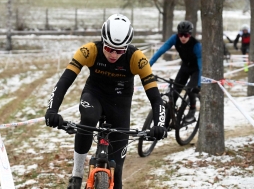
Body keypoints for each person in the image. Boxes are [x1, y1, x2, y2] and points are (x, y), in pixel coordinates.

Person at [44, 14, 167, 189]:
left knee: (117, 178)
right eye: (109, 48)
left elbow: (155, 98)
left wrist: (159, 124)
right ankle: (77, 174)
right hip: (94, 96)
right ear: (103, 41)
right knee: (87, 118)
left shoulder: (137, 59)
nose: (113, 54)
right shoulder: (89, 51)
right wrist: (52, 110)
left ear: (126, 48)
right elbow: (64, 82)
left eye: (119, 51)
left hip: (120, 104)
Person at [149, 20, 202, 123]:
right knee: (173, 93)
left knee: (191, 89)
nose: (182, 37)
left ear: (190, 35)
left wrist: (199, 85)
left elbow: (201, 66)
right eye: (181, 34)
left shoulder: (196, 46)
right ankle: (168, 120)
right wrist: (148, 65)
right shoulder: (174, 39)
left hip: (196, 70)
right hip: (185, 67)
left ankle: (192, 111)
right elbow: (160, 51)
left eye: (185, 35)